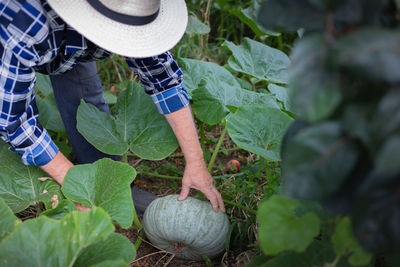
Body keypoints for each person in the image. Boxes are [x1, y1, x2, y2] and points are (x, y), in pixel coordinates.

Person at [0, 0, 225, 213]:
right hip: (17, 40)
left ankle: (112, 188)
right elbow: (15, 122)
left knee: (87, 103)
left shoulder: (133, 11)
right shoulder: (23, 26)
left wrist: (196, 163)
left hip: (64, 41)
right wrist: (77, 186)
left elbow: (163, 80)